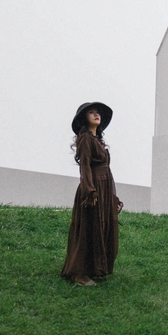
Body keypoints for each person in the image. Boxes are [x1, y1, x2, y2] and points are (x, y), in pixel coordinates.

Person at [61, 102, 123, 286]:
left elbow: (107, 171)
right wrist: (90, 191)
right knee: (87, 229)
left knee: (100, 228)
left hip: (104, 187)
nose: (97, 115)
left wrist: (112, 198)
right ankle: (78, 273)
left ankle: (93, 268)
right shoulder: (86, 139)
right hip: (93, 187)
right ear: (84, 118)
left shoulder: (98, 142)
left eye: (98, 113)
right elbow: (85, 166)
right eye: (91, 113)